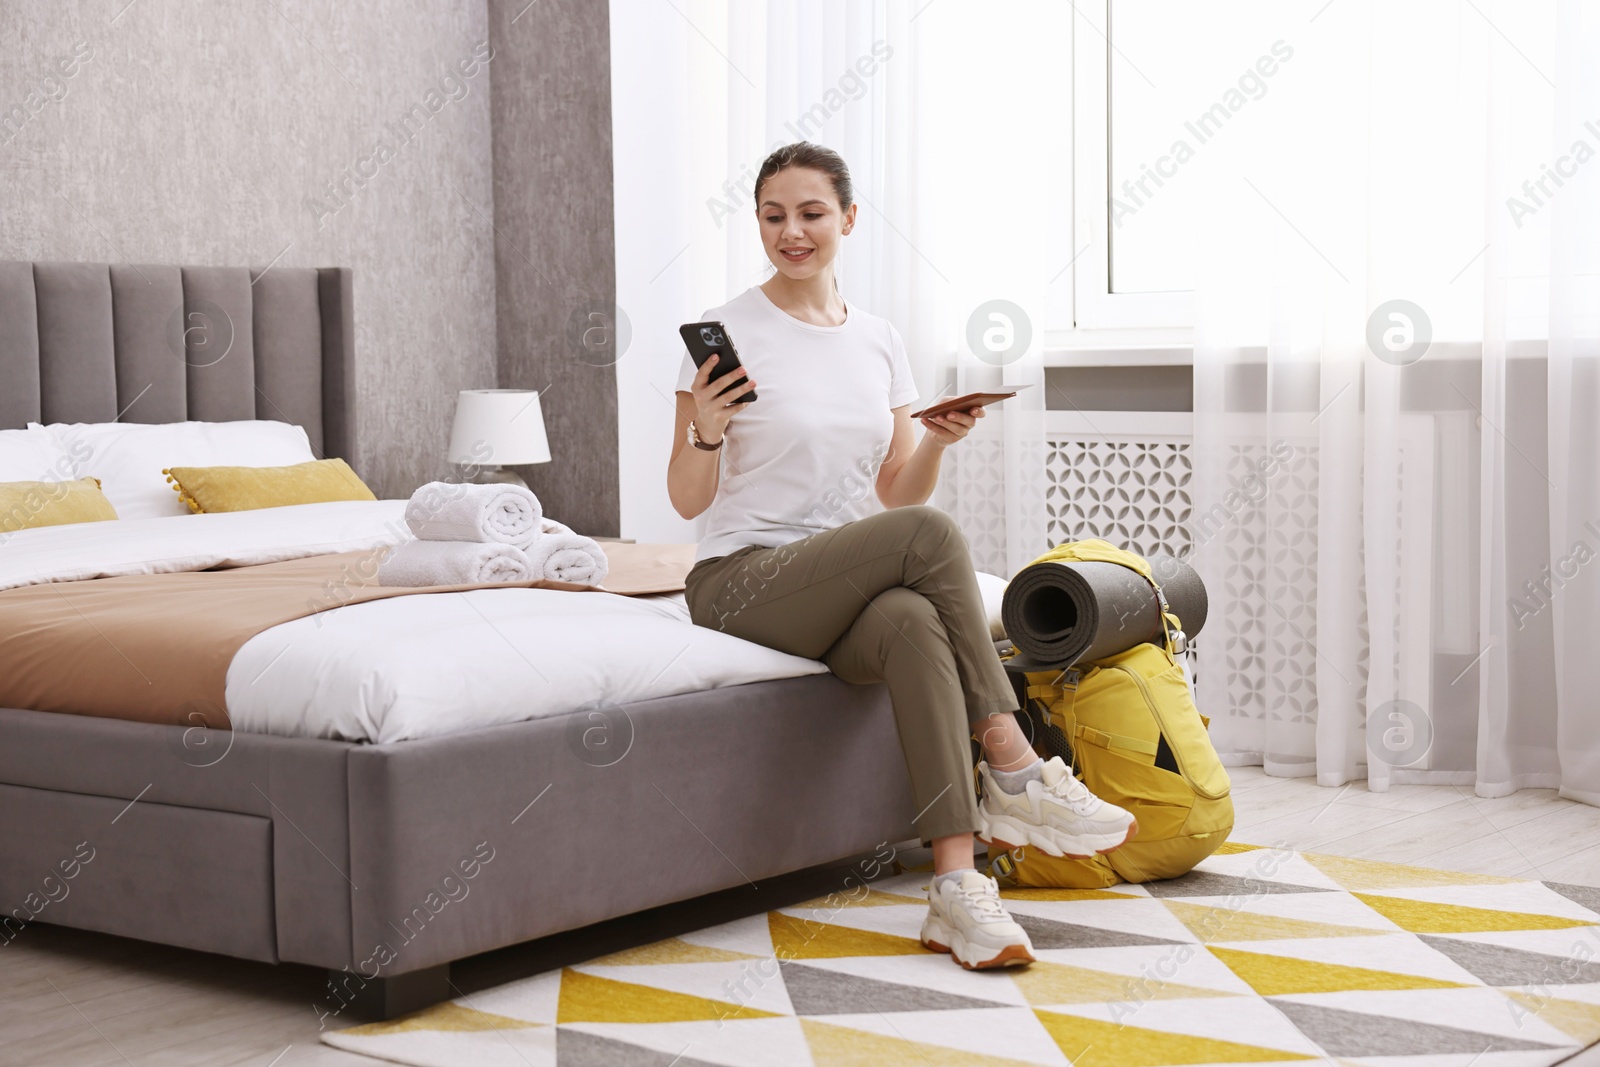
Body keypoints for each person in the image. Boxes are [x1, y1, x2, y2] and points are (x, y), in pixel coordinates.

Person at [668, 142, 1136, 971]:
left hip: (839, 582)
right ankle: (1014, 756)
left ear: (847, 219)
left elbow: (895, 495)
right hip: (740, 580)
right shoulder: (728, 333)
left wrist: (935, 442)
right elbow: (688, 499)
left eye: (811, 213)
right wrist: (706, 424)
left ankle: (956, 887)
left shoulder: (879, 341)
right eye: (774, 215)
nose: (793, 231)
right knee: (933, 542)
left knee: (916, 619)